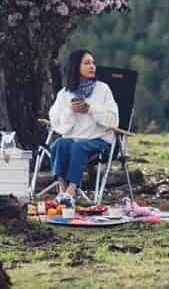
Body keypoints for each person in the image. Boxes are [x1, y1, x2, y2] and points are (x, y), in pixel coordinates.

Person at [47, 48, 119, 205]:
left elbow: (114, 121)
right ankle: (62, 190)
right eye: (87, 63)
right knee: (59, 144)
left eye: (93, 63)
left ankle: (71, 191)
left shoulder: (103, 89)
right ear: (75, 67)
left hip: (99, 140)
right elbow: (57, 123)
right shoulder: (64, 94)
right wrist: (70, 111)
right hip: (74, 139)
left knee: (78, 147)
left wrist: (91, 109)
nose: (92, 66)